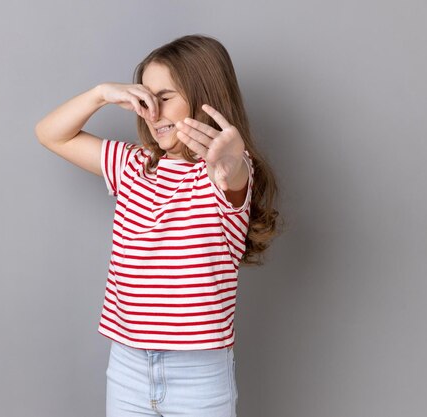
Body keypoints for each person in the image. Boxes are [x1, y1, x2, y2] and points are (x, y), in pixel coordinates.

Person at [35, 33, 281, 417]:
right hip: (128, 366)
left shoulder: (223, 174)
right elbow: (51, 133)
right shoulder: (131, 165)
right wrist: (101, 93)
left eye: (165, 98)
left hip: (198, 375)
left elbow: (233, 177)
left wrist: (231, 161)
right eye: (145, 98)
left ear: (205, 98)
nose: (152, 112)